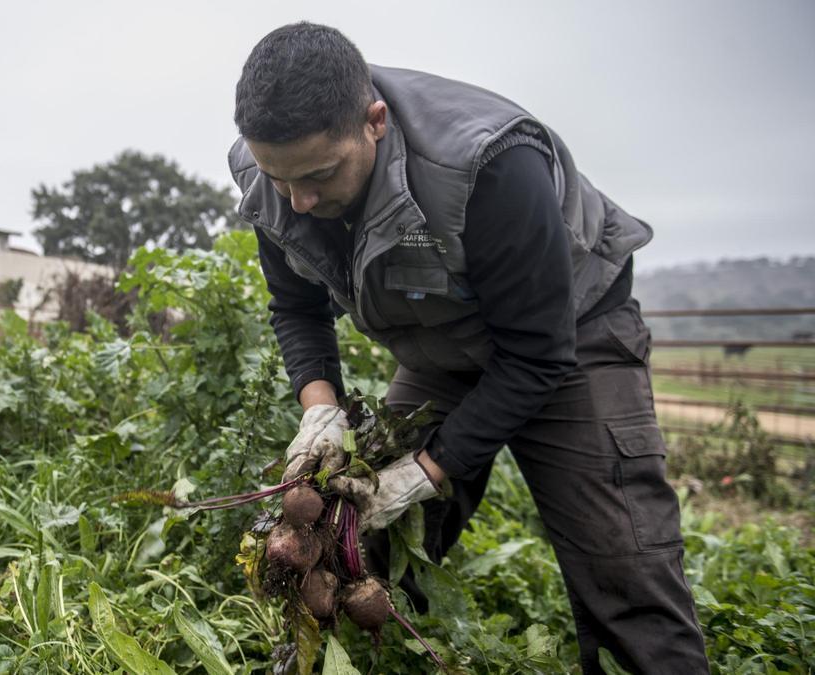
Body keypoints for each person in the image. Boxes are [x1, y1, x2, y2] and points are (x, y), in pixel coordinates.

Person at [228, 22, 709, 673]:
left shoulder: (488, 164)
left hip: (571, 337)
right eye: (280, 179)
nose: (300, 201)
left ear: (374, 121)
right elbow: (296, 305)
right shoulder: (277, 178)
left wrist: (424, 471)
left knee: (621, 566)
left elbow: (537, 354)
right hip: (440, 348)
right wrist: (319, 409)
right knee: (361, 536)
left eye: (318, 175)